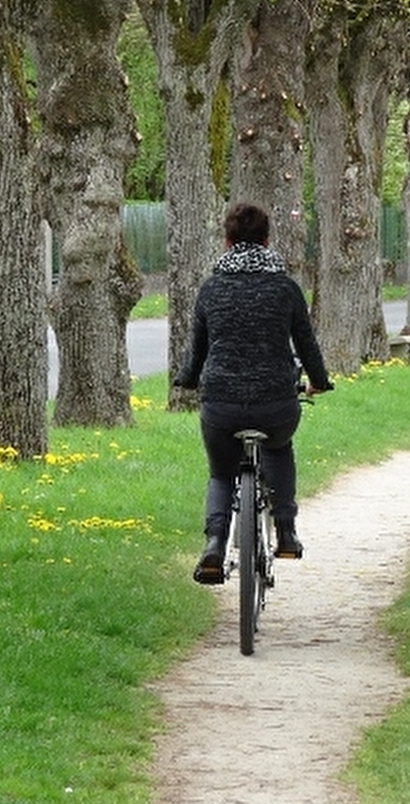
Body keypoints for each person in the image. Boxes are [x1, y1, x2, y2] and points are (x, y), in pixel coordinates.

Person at [173, 203, 333, 585]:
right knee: (279, 447)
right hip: (276, 401)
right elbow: (307, 345)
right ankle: (287, 531)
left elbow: (198, 350)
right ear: (267, 240)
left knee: (221, 473)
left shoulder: (211, 289)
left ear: (228, 243)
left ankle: (214, 543)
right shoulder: (285, 288)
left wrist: (188, 379)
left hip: (222, 405)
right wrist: (320, 381)